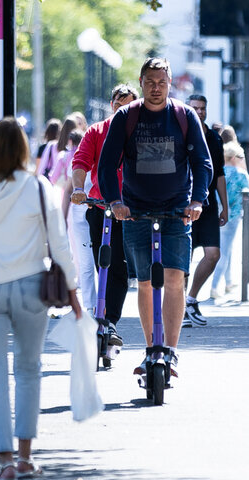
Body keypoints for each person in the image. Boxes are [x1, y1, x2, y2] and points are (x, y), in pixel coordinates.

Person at [0, 117, 81, 480]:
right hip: (29, 286)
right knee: (28, 369)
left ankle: (4, 463)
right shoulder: (38, 188)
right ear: (24, 149)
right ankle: (25, 458)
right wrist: (72, 289)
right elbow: (59, 244)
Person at [97, 57, 212, 378]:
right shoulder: (126, 117)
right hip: (135, 212)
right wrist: (115, 201)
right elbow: (106, 165)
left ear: (170, 82)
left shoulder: (183, 116)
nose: (156, 88)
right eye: (150, 82)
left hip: (178, 211)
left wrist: (198, 201)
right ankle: (151, 349)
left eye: (162, 82)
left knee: (175, 279)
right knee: (146, 282)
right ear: (141, 82)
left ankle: (170, 352)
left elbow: (202, 162)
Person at [71, 84, 138, 344]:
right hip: (102, 207)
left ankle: (109, 322)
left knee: (120, 267)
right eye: (120, 106)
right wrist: (78, 188)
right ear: (112, 105)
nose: (125, 111)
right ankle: (100, 315)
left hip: (132, 210)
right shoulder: (97, 131)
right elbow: (81, 163)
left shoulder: (139, 132)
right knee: (104, 265)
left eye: (130, 107)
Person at [183, 94, 228, 326]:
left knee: (213, 255)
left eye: (202, 108)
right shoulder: (179, 133)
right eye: (194, 108)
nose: (199, 112)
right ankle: (179, 306)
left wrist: (225, 207)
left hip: (208, 206)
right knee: (183, 259)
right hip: (183, 204)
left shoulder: (213, 138)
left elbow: (219, 172)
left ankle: (190, 299)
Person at [49, 128, 96, 314]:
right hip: (80, 217)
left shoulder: (107, 158)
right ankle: (90, 306)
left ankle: (104, 306)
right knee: (84, 262)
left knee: (104, 262)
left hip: (102, 216)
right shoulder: (78, 161)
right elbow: (68, 190)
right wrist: (62, 217)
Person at [210, 141, 249, 299]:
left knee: (225, 248)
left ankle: (228, 282)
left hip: (218, 215)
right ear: (233, 157)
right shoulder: (241, 173)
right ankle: (215, 286)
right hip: (234, 216)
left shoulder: (220, 172)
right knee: (224, 251)